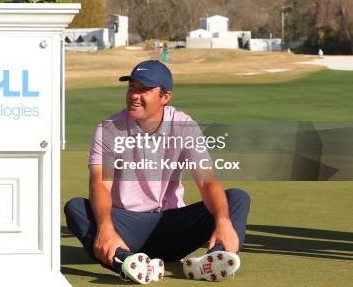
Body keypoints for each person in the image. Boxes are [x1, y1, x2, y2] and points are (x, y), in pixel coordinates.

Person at [64, 60, 250, 283]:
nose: (134, 94)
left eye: (145, 89)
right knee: (76, 207)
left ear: (165, 97)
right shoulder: (108, 129)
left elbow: (206, 182)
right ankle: (126, 262)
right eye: (132, 86)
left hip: (172, 226)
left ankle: (215, 259)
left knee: (236, 199)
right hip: (127, 229)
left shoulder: (184, 125)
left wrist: (222, 221)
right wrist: (105, 227)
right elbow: (100, 184)